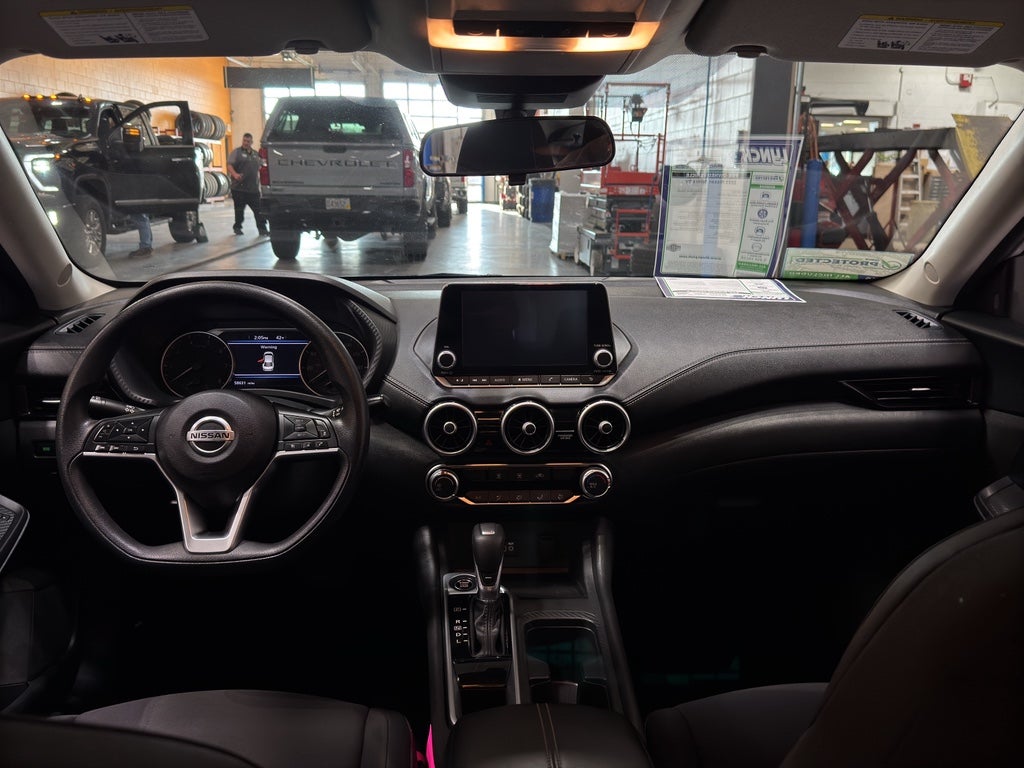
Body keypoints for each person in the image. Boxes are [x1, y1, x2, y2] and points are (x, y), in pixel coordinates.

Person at [226, 132, 268, 236]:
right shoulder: (236, 152)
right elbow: (229, 165)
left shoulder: (255, 154)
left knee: (258, 211)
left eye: (248, 141)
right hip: (239, 189)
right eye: (244, 141)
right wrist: (235, 175)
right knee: (239, 211)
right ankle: (237, 227)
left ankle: (262, 229)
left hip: (253, 189)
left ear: (251, 142)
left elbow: (262, 165)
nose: (245, 143)